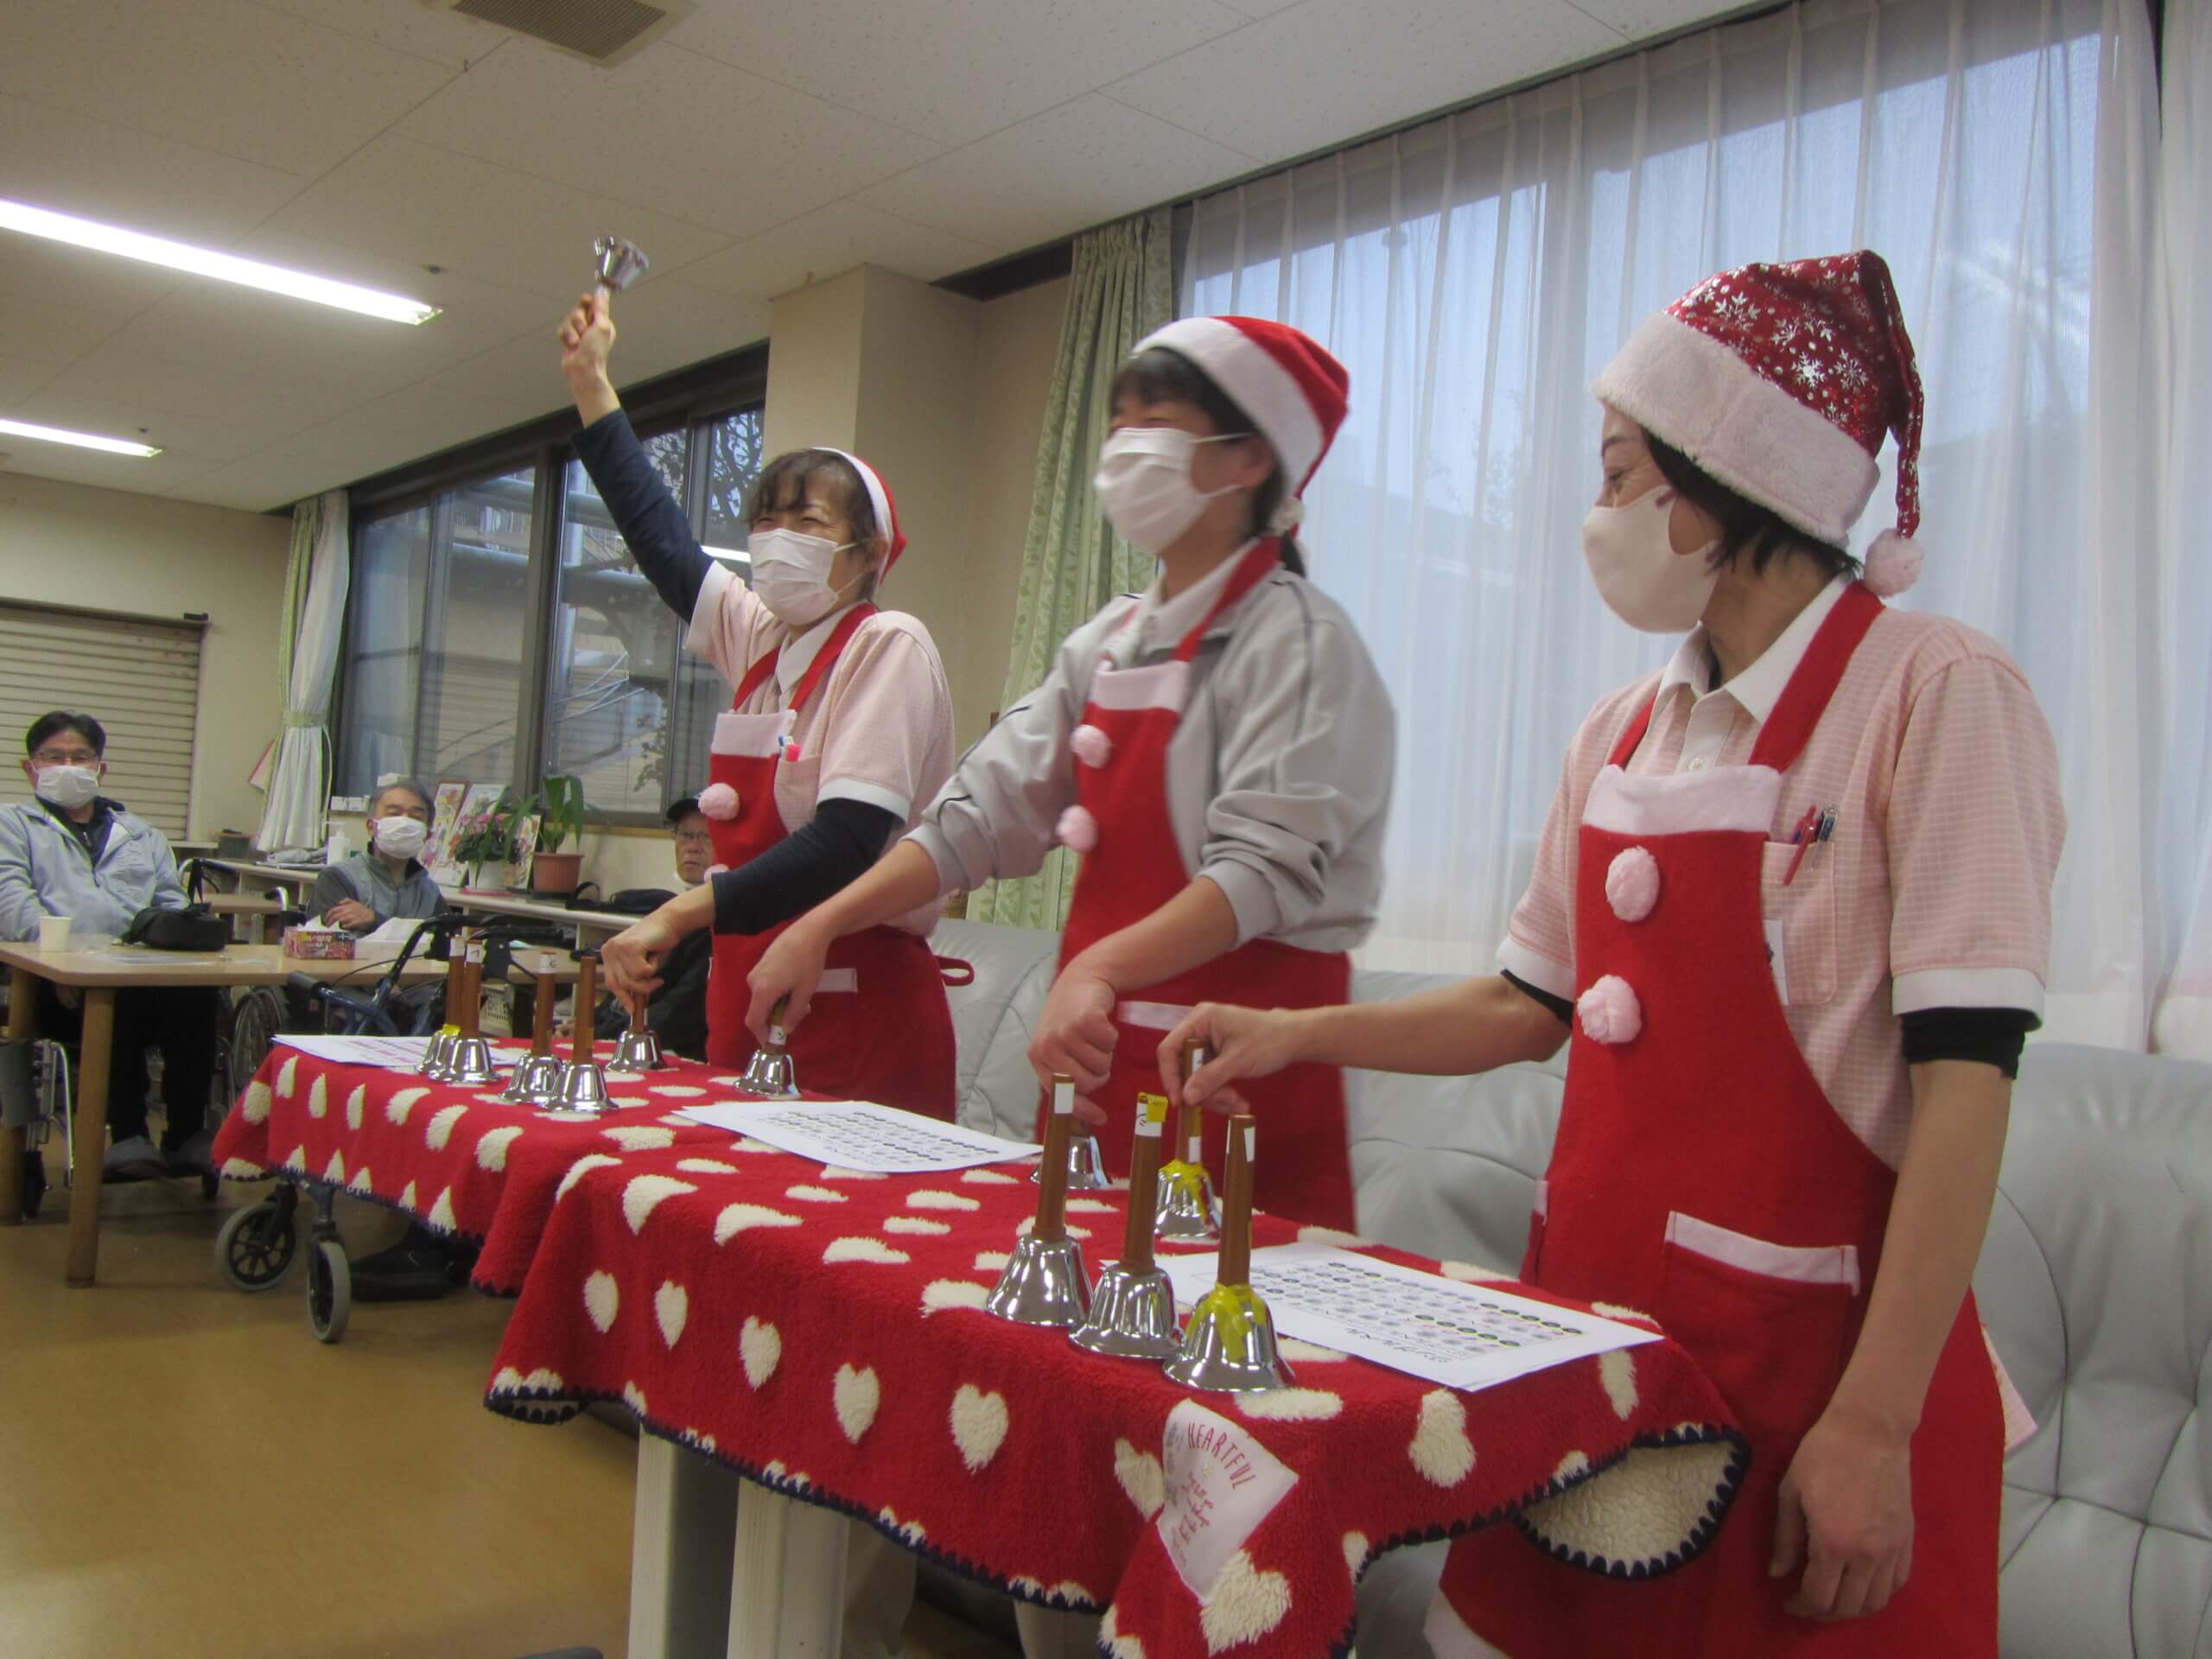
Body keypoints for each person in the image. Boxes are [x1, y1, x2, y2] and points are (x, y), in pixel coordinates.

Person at [1162, 254, 2063, 1657]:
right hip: (1597, 1362)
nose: (1600, 513)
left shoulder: (1936, 696)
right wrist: (1291, 1036)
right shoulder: (1620, 733)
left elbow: (1967, 1085)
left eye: (1618, 468)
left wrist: (1873, 1423)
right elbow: (1529, 1007)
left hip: (1815, 1386)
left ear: (1728, 474)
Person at [748, 314, 1395, 1231]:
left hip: (1238, 1087)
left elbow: (1264, 870)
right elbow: (977, 816)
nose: (1125, 444)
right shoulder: (1108, 643)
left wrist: (1094, 966)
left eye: (1155, 419)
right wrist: (824, 921)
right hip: (1095, 1075)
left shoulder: (1302, 644)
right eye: (1118, 420)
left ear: (1249, 457)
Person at [557, 289, 960, 1116]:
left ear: (869, 551)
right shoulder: (763, 639)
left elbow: (844, 843)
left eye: (806, 521)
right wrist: (593, 385)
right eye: (764, 521)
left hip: (853, 1007)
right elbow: (662, 540)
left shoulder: (888, 646)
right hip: (744, 995)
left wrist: (677, 915)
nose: (776, 539)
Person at [0, 710, 220, 1179]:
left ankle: (185, 1134)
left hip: (140, 973)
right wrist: (66, 965)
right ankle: (128, 1136)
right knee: (110, 1000)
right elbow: (14, 908)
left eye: (81, 757)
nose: (69, 765)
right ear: (30, 767)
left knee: (200, 996)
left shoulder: (141, 834)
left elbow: (171, 906)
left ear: (100, 768)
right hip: (52, 980)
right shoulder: (12, 826)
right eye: (54, 757)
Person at [583, 795, 713, 1061]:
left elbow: (677, 1016)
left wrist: (598, 1035)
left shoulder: (716, 926)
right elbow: (626, 990)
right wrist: (588, 1026)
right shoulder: (666, 910)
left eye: (705, 837)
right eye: (685, 835)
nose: (692, 847)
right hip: (620, 1038)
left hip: (667, 1056)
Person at [309, 778, 448, 933]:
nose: (403, 823)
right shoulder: (338, 878)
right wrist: (417, 931)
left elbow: (443, 943)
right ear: (371, 827)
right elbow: (339, 943)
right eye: (394, 814)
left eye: (415, 818)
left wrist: (374, 920)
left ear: (427, 834)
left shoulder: (429, 892)